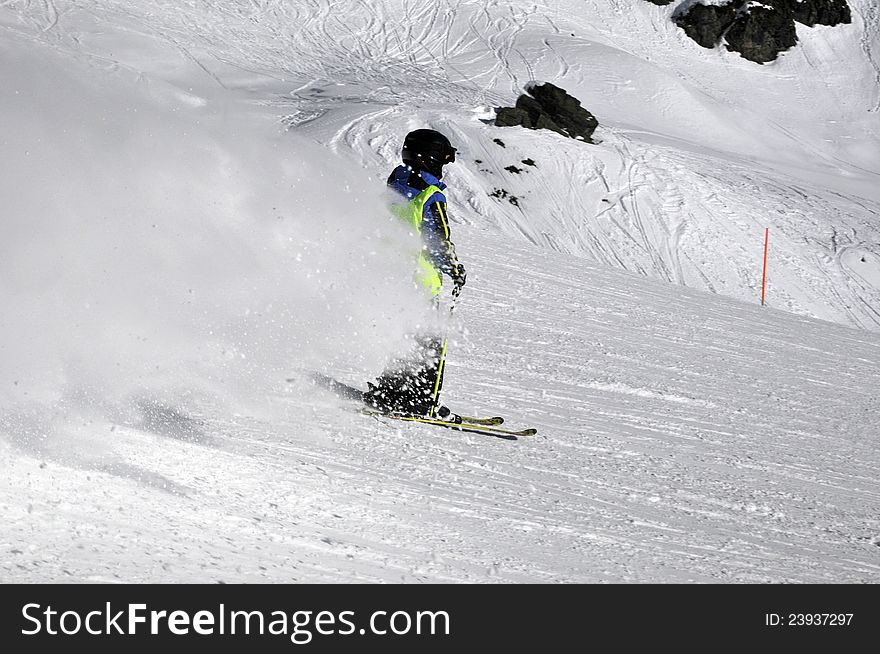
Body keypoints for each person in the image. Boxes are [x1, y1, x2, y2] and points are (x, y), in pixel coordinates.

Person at [362, 128, 467, 421]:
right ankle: (423, 403)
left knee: (404, 338)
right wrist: (456, 270)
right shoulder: (431, 196)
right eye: (442, 162)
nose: (443, 169)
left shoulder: (396, 182)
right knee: (430, 343)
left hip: (392, 274)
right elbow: (439, 242)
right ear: (432, 159)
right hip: (420, 280)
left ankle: (389, 392)